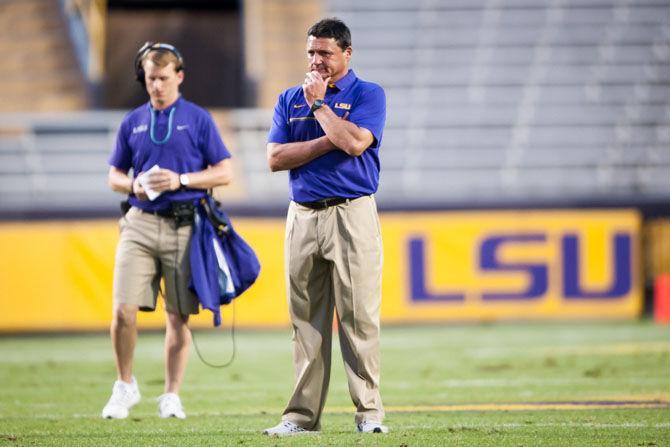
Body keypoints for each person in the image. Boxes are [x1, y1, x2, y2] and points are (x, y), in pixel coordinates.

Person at [263, 18, 388, 436]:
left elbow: (355, 144)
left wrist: (320, 107)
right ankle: (301, 418)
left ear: (347, 54)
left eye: (326, 54)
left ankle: (369, 415)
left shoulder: (368, 94)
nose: (317, 61)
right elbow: (275, 159)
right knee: (305, 322)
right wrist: (328, 139)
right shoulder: (287, 98)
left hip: (351, 213)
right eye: (312, 52)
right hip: (301, 215)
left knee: (358, 317)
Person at [102, 42, 233, 420]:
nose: (155, 85)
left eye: (162, 77)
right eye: (149, 78)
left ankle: (171, 394)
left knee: (178, 317)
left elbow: (224, 171)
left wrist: (183, 179)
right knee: (123, 311)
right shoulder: (132, 122)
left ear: (179, 76)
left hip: (184, 223)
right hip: (139, 222)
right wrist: (134, 186)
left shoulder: (198, 118)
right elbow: (114, 175)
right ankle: (125, 385)